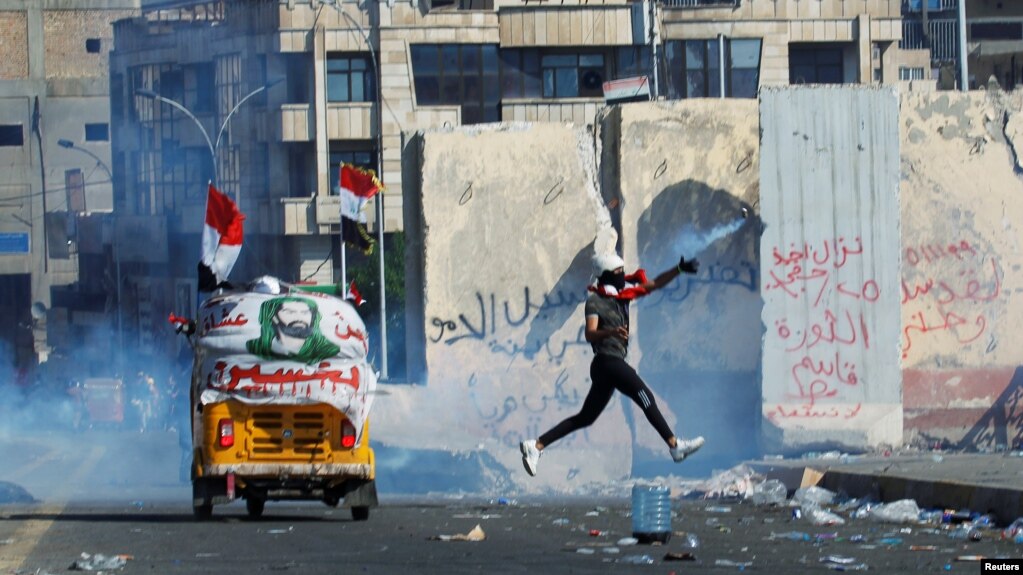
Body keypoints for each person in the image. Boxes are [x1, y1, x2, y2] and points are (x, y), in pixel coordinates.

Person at [520, 251, 705, 476]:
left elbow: (654, 284)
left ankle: (536, 446)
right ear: (606, 275)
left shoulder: (623, 294)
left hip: (609, 367)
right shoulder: (595, 301)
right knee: (644, 395)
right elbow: (590, 334)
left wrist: (678, 269)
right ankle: (675, 445)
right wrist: (611, 331)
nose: (622, 275)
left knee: (585, 418)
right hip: (607, 361)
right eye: (618, 272)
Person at [246, 296, 340, 364]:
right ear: (274, 317)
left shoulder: (327, 349)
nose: (299, 318)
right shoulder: (256, 347)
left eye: (305, 313)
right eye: (290, 312)